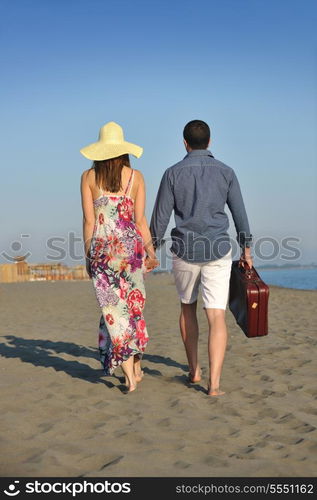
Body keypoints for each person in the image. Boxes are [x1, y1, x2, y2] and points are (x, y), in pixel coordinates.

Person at [150, 120, 253, 396]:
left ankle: (194, 371)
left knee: (187, 308)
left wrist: (150, 248)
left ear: (185, 143)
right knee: (216, 316)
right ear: (209, 142)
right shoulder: (226, 172)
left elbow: (160, 217)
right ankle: (214, 384)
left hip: (184, 250)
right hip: (218, 251)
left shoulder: (172, 173)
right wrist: (246, 249)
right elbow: (239, 213)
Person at [80, 121, 159, 393]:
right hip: (131, 252)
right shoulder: (136, 177)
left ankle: (129, 375)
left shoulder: (88, 178)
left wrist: (88, 255)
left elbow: (89, 222)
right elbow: (140, 221)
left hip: (103, 253)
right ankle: (135, 366)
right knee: (132, 308)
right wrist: (150, 250)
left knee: (114, 312)